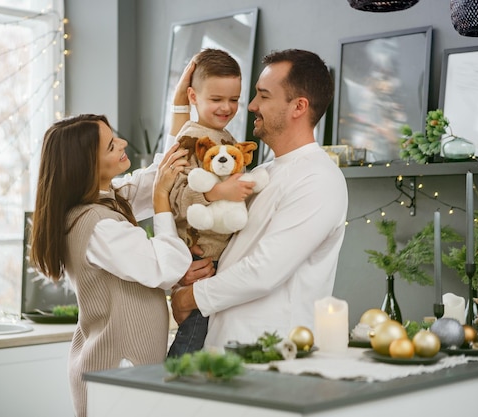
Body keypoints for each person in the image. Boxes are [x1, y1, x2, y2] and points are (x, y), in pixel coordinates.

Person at [170, 49, 349, 350]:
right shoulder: (260, 173)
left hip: (269, 353)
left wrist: (188, 298)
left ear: (298, 107)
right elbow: (175, 177)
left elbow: (264, 271)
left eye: (263, 96)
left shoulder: (319, 179)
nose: (251, 106)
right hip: (219, 345)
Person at [29, 114, 192, 417]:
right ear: (86, 166)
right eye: (111, 145)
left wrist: (181, 102)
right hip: (116, 371)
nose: (124, 144)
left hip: (121, 370)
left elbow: (158, 175)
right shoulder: (97, 224)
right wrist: (160, 198)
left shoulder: (108, 199)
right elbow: (167, 265)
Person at [166, 48, 256, 357]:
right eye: (216, 100)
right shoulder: (189, 139)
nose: (226, 108)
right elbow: (175, 195)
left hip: (219, 250)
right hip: (200, 251)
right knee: (195, 331)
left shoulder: (226, 137)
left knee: (211, 330)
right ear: (193, 96)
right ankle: (173, 378)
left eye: (234, 100)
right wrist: (217, 193)